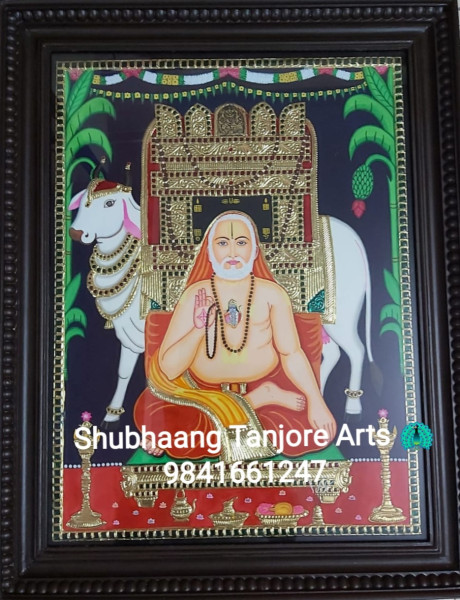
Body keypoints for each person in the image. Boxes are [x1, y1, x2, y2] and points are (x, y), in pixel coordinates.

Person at [135, 211, 336, 461]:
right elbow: (167, 369)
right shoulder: (195, 295)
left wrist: (316, 400)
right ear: (209, 252)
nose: (232, 252)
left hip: (255, 395)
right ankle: (256, 400)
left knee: (298, 428)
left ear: (255, 251)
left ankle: (251, 402)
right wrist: (198, 329)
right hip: (201, 396)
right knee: (162, 413)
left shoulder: (273, 295)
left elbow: (291, 353)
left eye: (241, 242)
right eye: (222, 243)